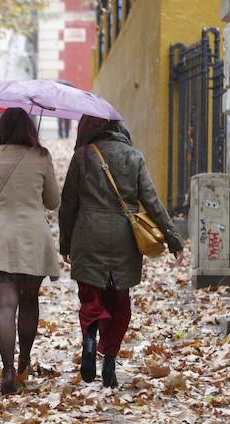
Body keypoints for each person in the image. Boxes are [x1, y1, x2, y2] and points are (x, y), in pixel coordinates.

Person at [59, 116, 184, 389]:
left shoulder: (82, 156)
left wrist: (65, 244)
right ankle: (110, 361)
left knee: (91, 296)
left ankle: (89, 341)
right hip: (124, 238)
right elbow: (151, 200)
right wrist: (173, 238)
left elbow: (68, 203)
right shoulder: (133, 156)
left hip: (88, 235)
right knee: (119, 301)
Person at [0, 108, 60, 395]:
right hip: (33, 239)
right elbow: (52, 201)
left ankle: (7, 369)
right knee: (29, 300)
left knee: (5, 305)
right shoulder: (41, 156)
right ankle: (24, 361)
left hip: (0, 239)